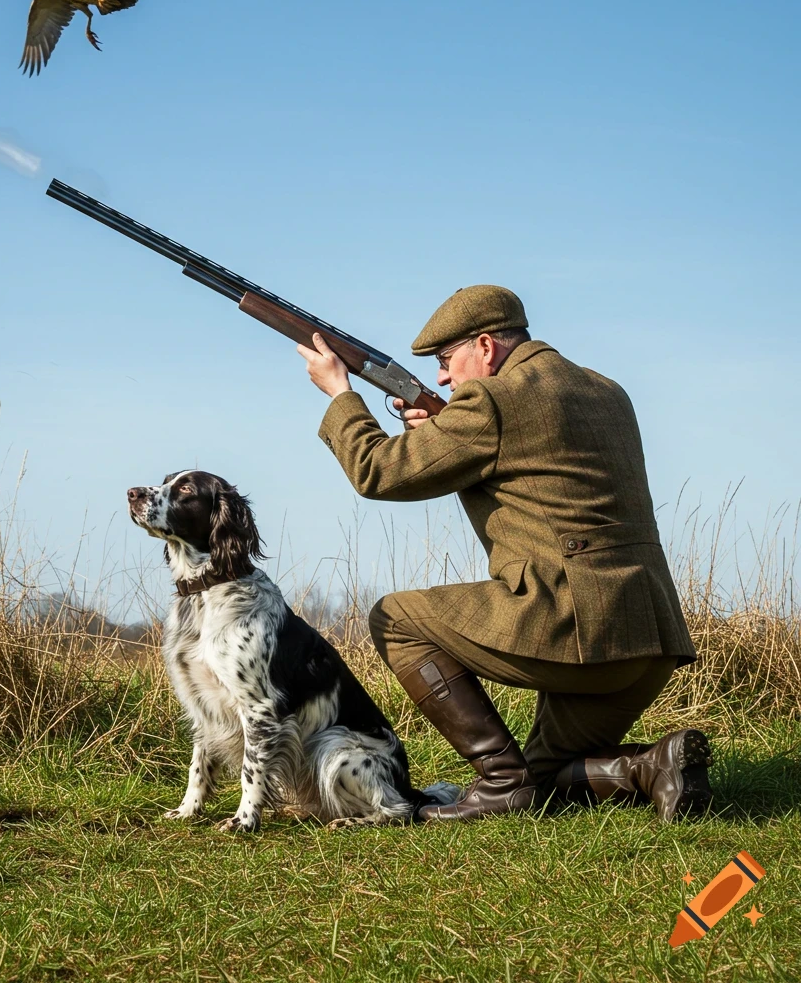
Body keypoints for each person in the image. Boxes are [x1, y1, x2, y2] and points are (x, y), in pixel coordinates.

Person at [297, 285, 713, 823]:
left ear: (487, 346)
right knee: (544, 784)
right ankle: (654, 765)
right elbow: (533, 471)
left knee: (395, 618)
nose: (444, 378)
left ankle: (497, 779)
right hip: (648, 635)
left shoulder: (492, 399)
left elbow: (378, 472)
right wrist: (439, 431)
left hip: (575, 624)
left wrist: (340, 395)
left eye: (447, 361)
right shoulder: (606, 390)